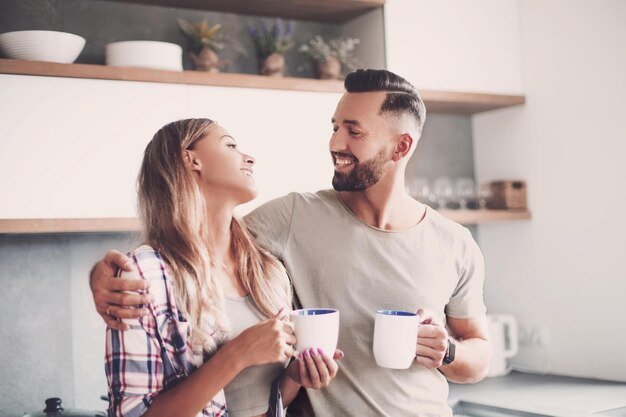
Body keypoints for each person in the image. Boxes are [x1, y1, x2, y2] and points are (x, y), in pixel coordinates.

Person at [91, 69, 491, 417]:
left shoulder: (455, 243)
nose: (336, 143)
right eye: (334, 127)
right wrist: (103, 275)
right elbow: (196, 243)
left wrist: (449, 352)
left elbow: (479, 354)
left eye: (354, 131)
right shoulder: (294, 216)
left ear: (401, 147)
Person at [101, 118, 342, 417]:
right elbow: (133, 413)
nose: (249, 157)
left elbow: (261, 401)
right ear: (190, 159)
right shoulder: (146, 274)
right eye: (230, 145)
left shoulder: (267, 272)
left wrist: (295, 376)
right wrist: (237, 354)